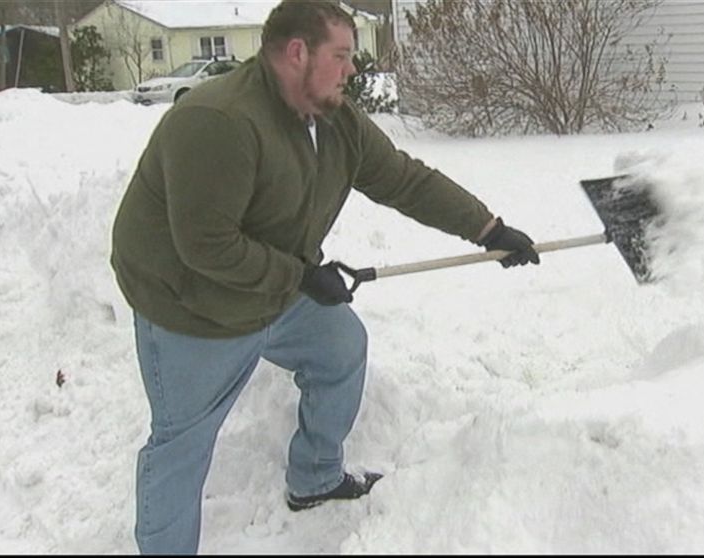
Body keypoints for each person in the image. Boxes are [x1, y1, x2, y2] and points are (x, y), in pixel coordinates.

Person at [110, 0, 539, 554]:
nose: (352, 69)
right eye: (341, 55)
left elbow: (404, 180)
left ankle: (314, 477)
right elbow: (206, 247)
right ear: (297, 53)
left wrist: (488, 229)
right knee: (182, 446)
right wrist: (301, 276)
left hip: (278, 287)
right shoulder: (218, 122)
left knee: (341, 350)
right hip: (192, 307)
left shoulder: (334, 117)